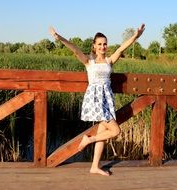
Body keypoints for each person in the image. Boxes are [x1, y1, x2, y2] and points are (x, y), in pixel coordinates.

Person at [49, 24, 145, 176]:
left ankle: (94, 166)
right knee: (115, 130)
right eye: (99, 44)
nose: (103, 46)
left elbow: (121, 49)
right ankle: (88, 140)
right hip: (95, 101)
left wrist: (136, 36)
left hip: (106, 100)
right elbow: (74, 49)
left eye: (105, 44)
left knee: (104, 132)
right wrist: (59, 37)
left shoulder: (109, 61)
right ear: (94, 46)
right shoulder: (89, 62)